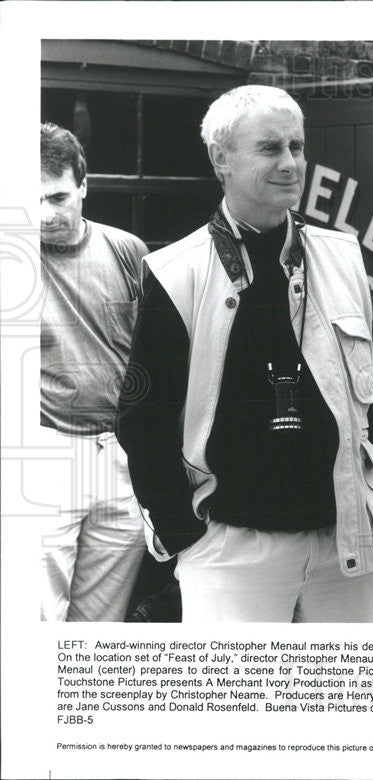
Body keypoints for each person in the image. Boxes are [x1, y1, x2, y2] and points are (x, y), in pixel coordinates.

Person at [117, 85, 373, 623]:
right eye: (270, 148)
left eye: (297, 146)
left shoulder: (344, 258)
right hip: (230, 549)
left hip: (348, 536)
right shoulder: (175, 272)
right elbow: (142, 420)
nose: (291, 162)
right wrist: (186, 534)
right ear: (220, 159)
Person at [39, 123, 149, 621]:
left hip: (121, 454)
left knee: (100, 629)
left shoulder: (128, 251)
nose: (45, 214)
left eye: (58, 196)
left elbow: (158, 355)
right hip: (44, 450)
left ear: (84, 184)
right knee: (35, 619)